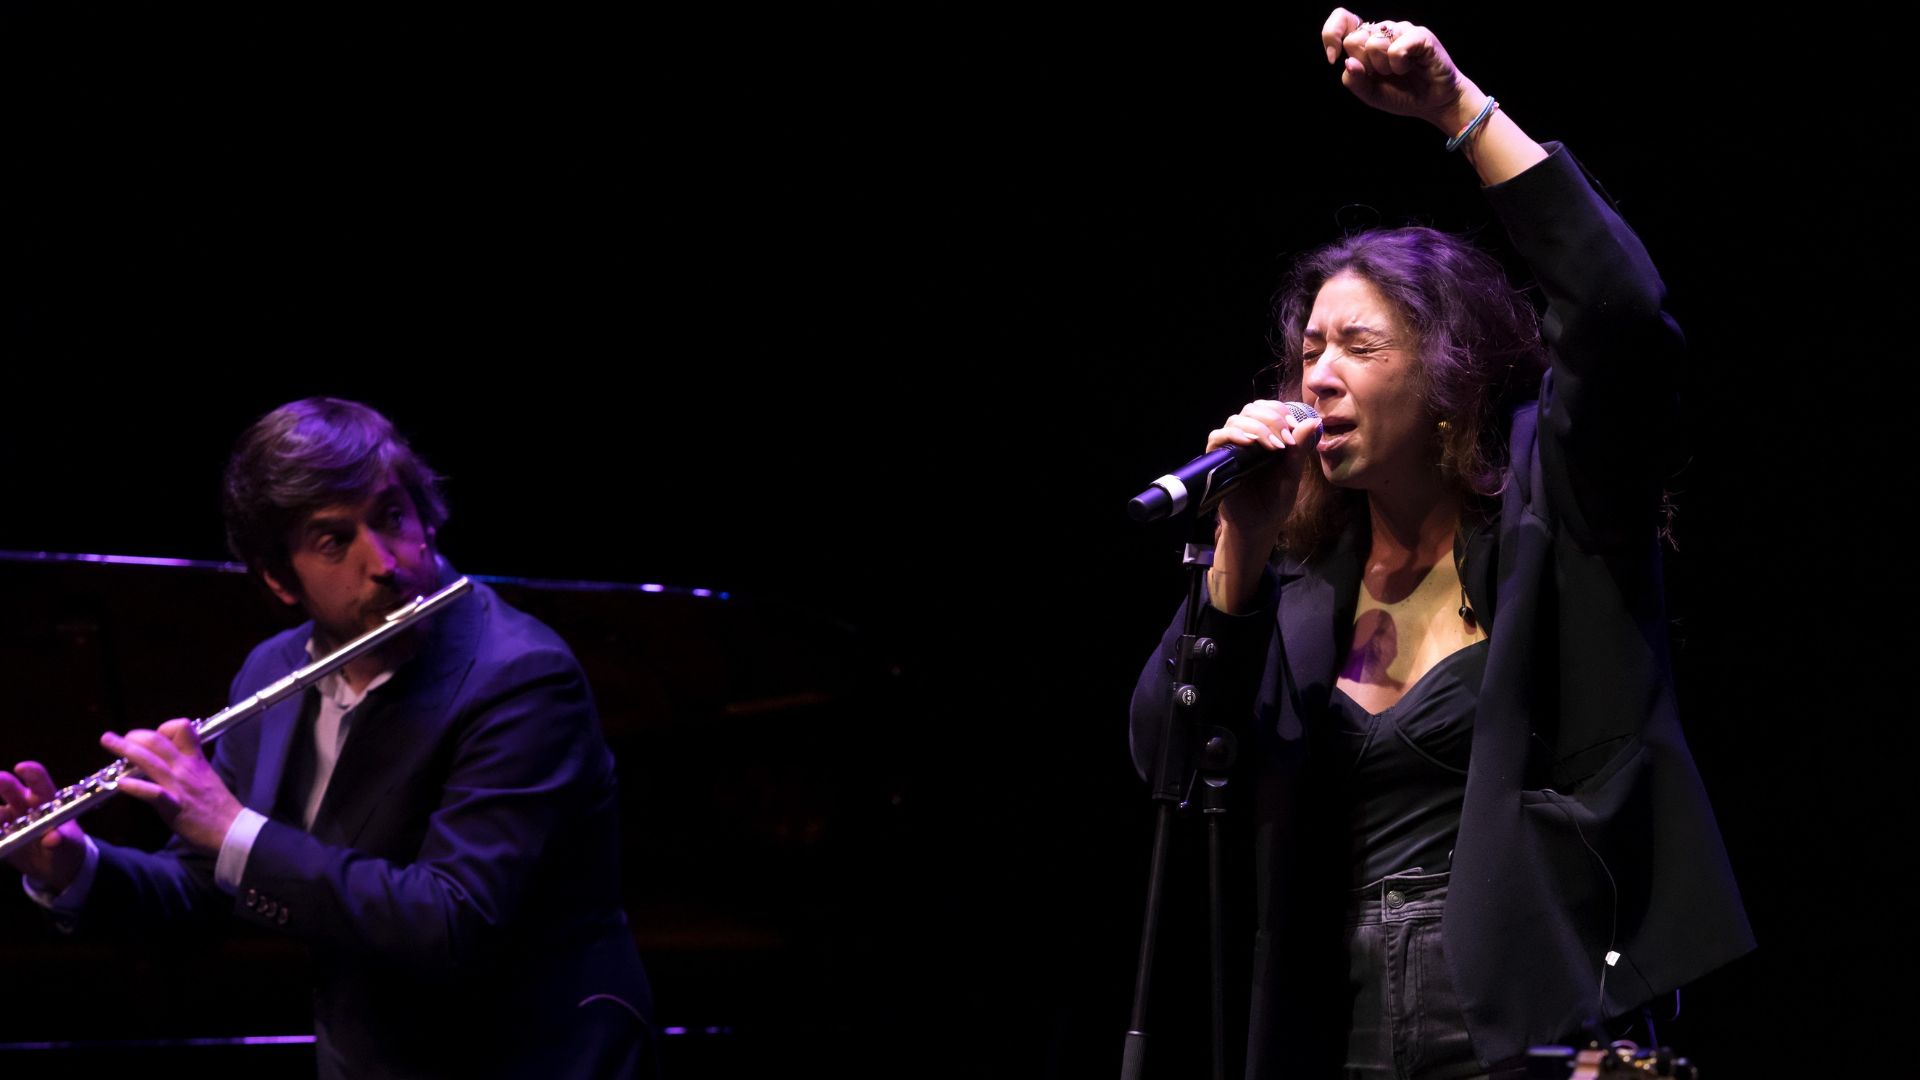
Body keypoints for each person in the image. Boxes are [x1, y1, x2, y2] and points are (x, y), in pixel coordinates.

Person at [1129, 12, 1753, 1077]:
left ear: (1448, 372)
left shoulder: (1556, 515)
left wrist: (1457, 108)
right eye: (1309, 349)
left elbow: (1621, 317)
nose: (1318, 375)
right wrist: (1237, 552)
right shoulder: (1298, 587)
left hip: (1529, 1021)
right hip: (1335, 1031)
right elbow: (1170, 760)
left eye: (1358, 345)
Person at [0, 398, 655, 1078]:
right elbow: (210, 884)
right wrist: (73, 867)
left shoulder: (520, 678)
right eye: (334, 541)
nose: (384, 562)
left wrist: (231, 827)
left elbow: (453, 922)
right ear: (279, 578)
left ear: (426, 516)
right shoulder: (274, 670)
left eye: (392, 516)